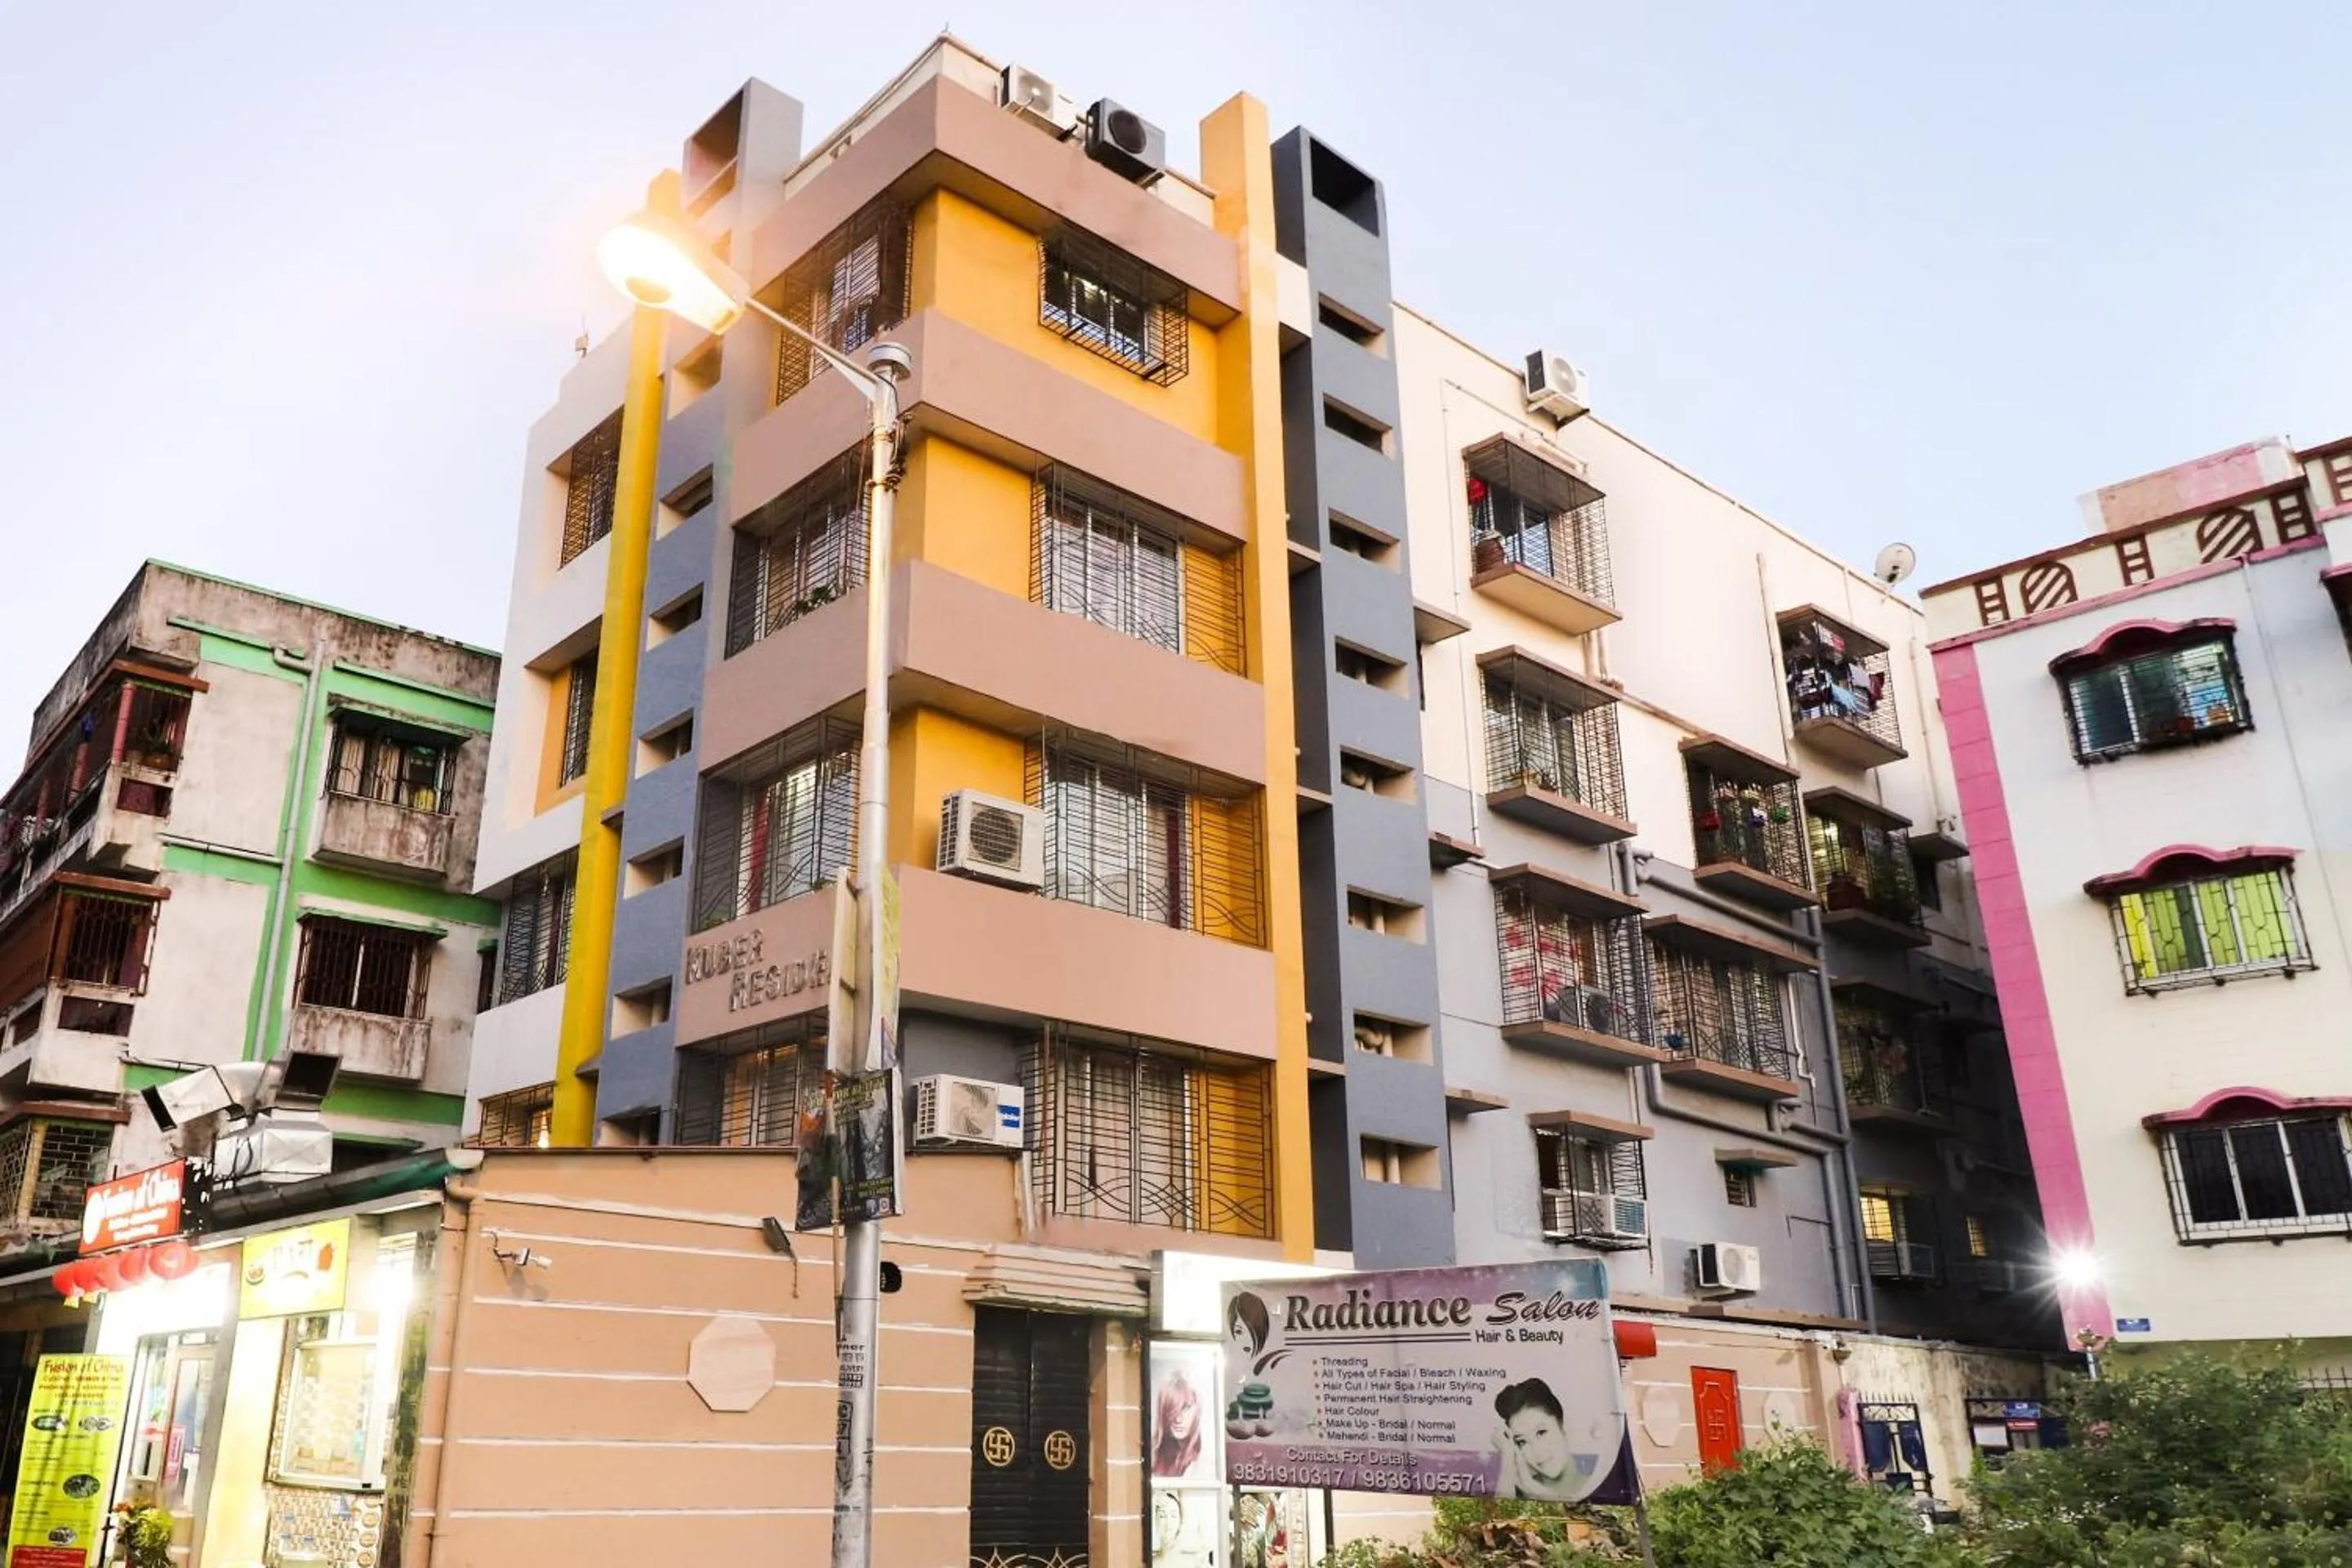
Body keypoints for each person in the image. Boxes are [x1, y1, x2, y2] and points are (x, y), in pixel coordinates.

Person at [1494, 1378, 1591, 1502]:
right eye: (1522, 1442)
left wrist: (1535, 1489)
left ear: (1564, 1425)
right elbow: (1497, 1516)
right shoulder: (1514, 1492)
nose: (1537, 1452)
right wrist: (1507, 1454)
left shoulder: (1602, 1484)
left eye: (1541, 1433)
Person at [1152, 1365, 1204, 1478]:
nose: (1178, 1419)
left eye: (1186, 1408)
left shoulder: (1204, 1463)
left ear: (1197, 1409)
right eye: (1172, 1409)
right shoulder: (1154, 1457)